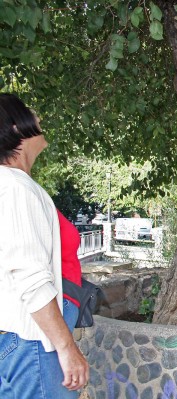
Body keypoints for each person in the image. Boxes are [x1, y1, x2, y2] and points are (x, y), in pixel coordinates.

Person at [0, 93, 89, 398]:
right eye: (29, 113)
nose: (38, 118)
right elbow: (31, 276)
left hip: (23, 339)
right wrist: (65, 347)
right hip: (34, 340)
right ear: (15, 128)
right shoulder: (14, 188)